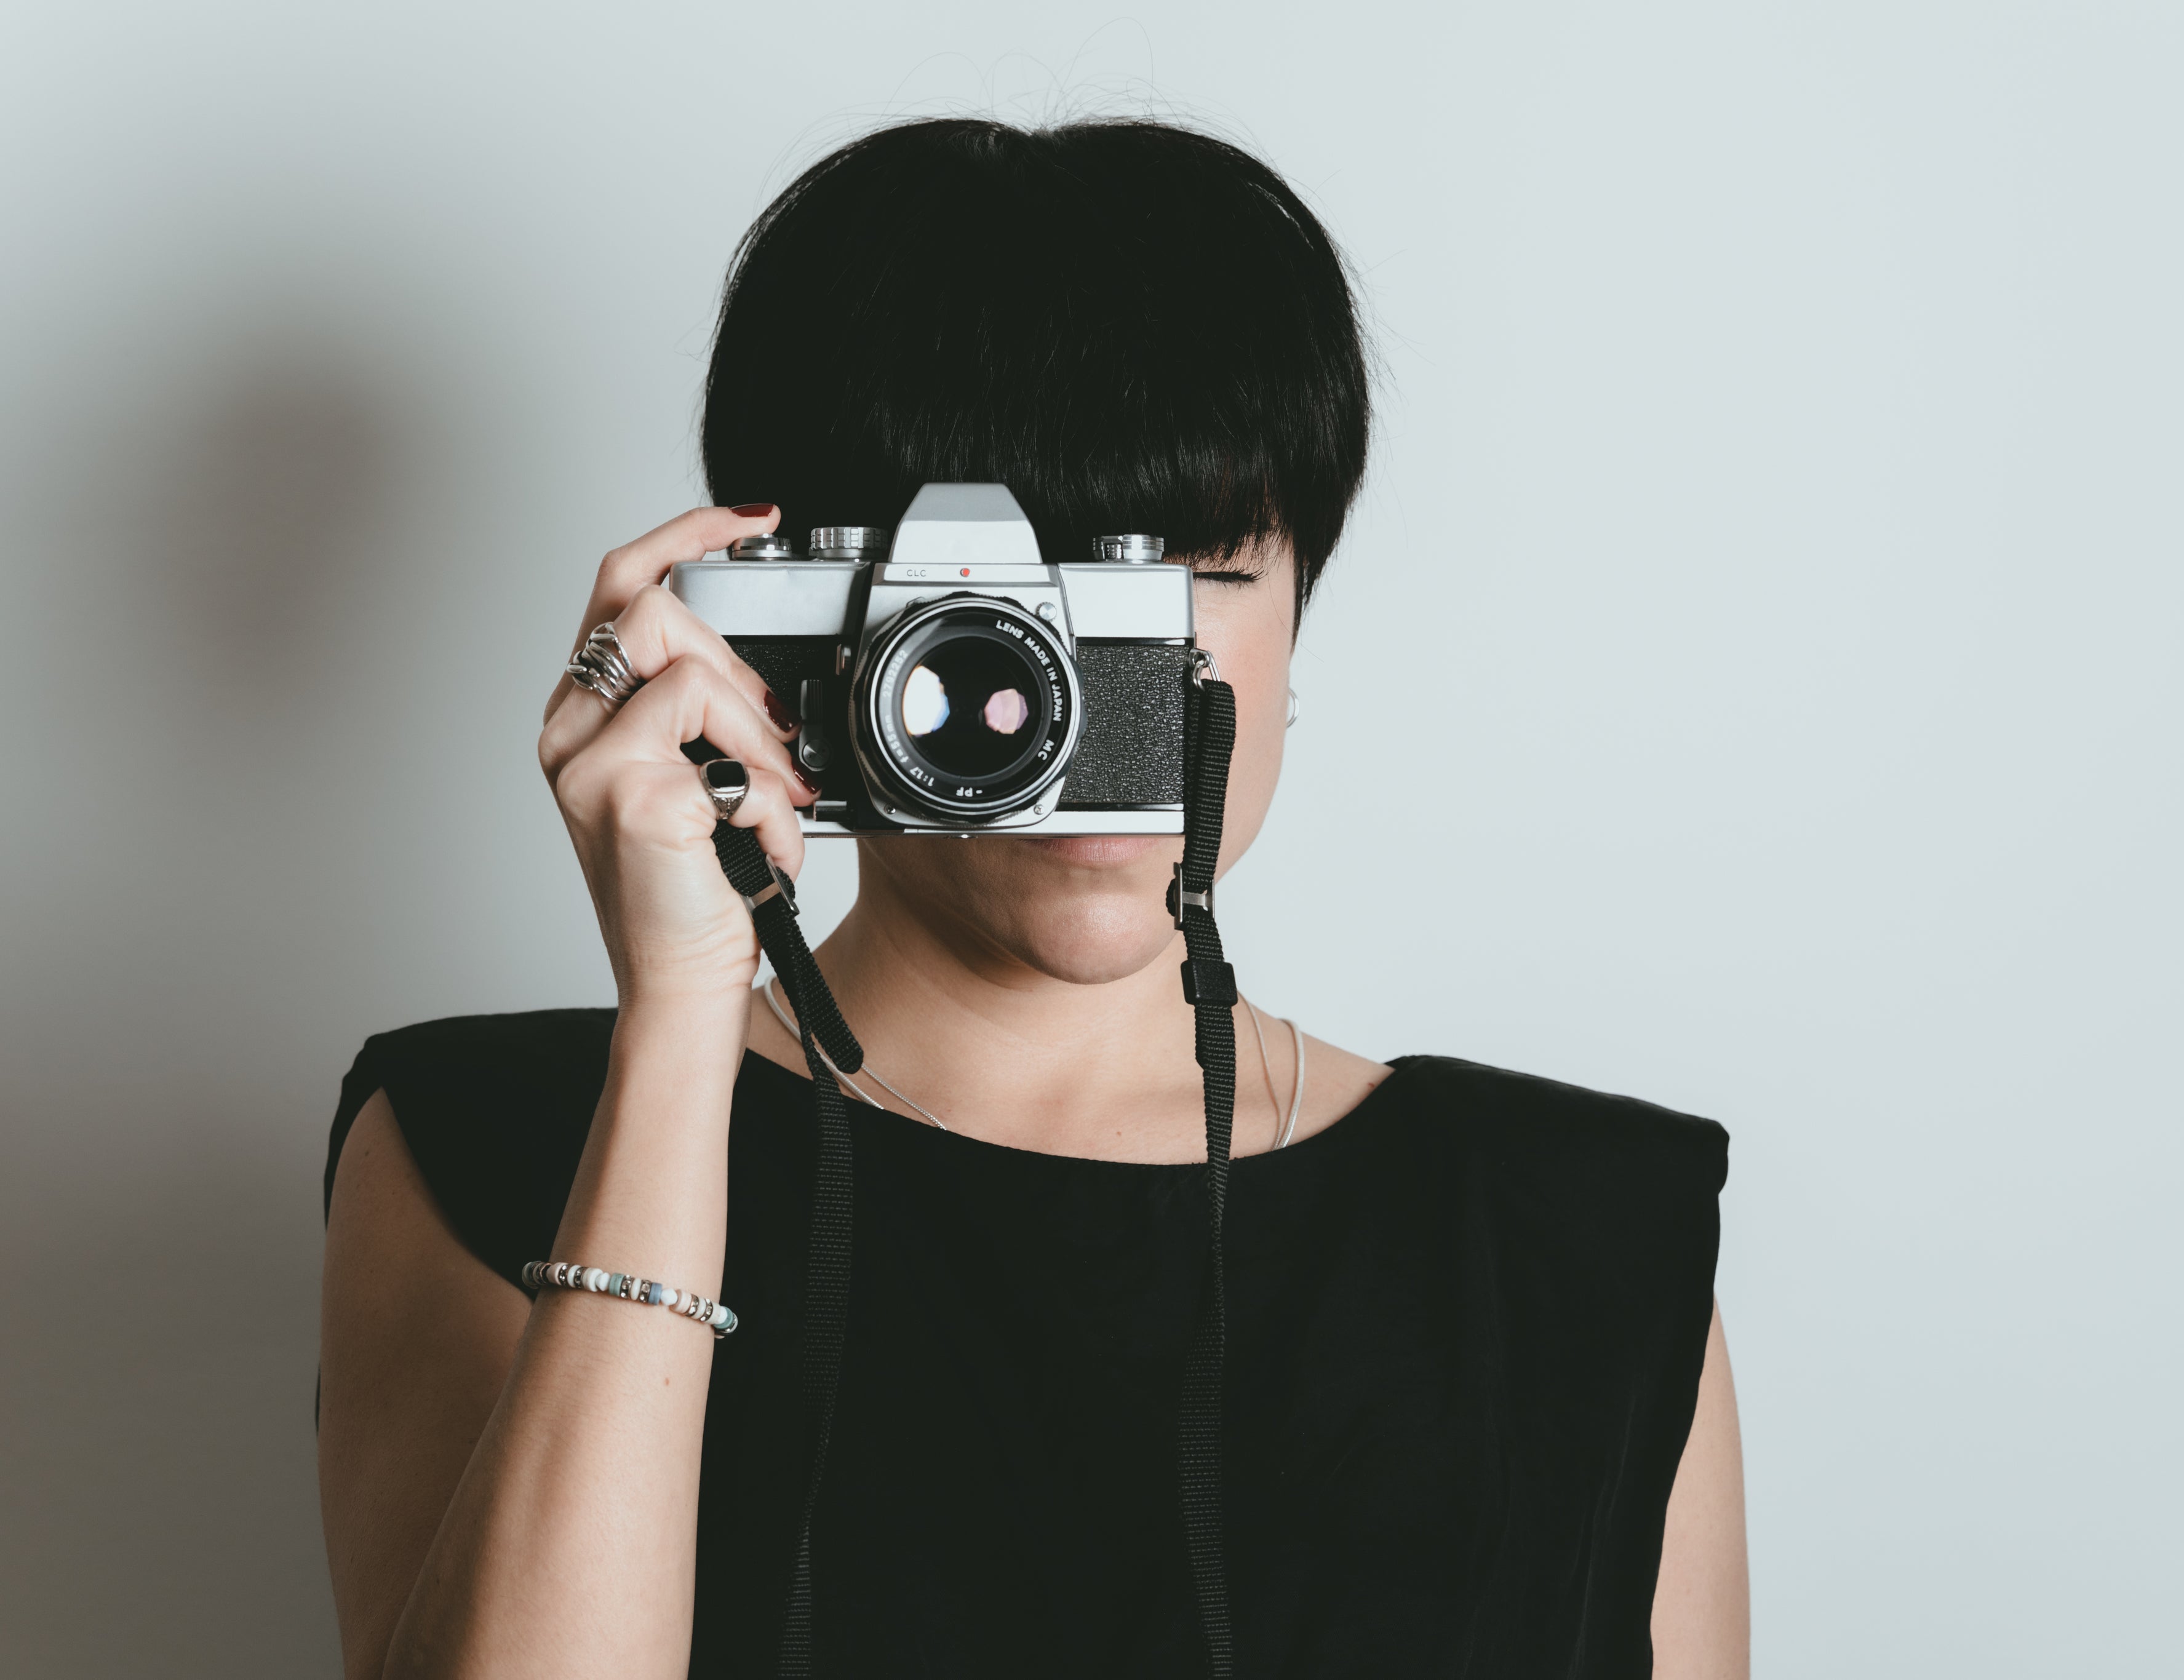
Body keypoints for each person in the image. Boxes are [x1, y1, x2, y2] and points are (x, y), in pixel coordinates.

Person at [317, 116, 1746, 1680]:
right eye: (1006, 609)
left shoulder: (1572, 1232)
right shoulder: (488, 1144)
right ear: (798, 630)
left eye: (1181, 570)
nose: (1057, 692)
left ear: (1295, 618)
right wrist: (681, 1017)